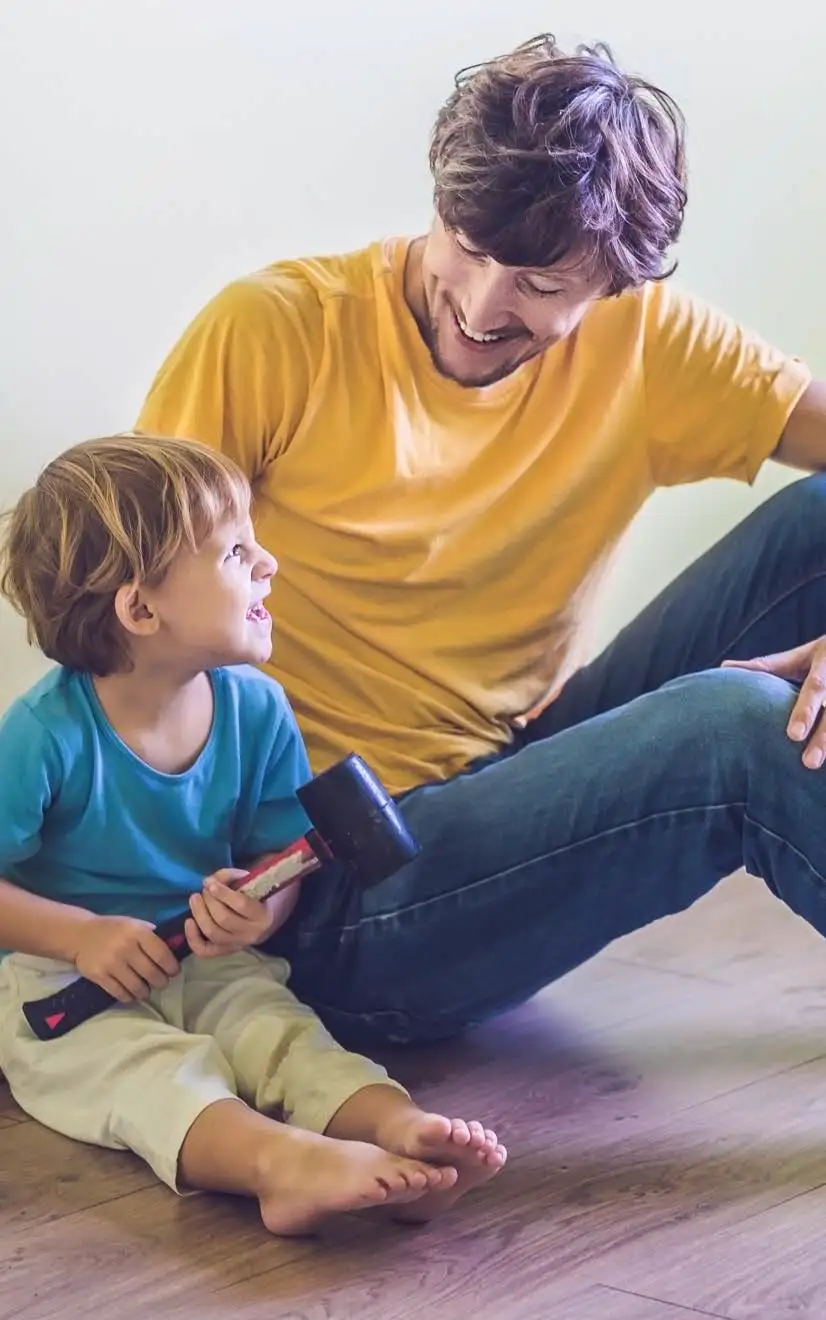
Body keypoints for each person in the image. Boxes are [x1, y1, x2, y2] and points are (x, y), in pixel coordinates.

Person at [135, 34, 826, 1054]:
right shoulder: (274, 331)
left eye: (540, 284)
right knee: (736, 727)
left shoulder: (649, 342)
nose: (480, 303)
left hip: (497, 782)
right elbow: (129, 635)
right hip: (319, 888)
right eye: (465, 243)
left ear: (615, 283)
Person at [0, 434, 505, 1235]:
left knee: (281, 1035)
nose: (268, 563)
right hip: (62, 977)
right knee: (149, 1073)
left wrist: (259, 911)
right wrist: (81, 936)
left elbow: (281, 858)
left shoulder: (257, 708)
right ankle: (279, 1165)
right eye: (236, 551)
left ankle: (397, 1127)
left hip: (204, 956)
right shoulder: (42, 734)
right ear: (141, 609)